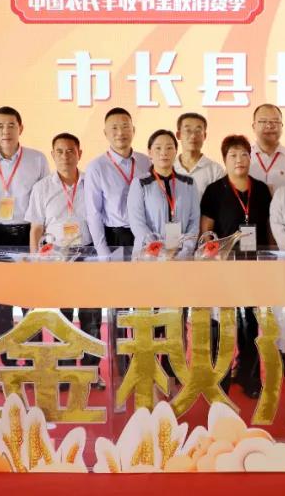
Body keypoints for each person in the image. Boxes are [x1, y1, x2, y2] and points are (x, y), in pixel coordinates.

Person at [0, 106, 49, 366]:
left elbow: (43, 199)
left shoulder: (37, 159)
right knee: (2, 303)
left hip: (27, 234)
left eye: (11, 125)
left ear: (21, 128)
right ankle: (8, 363)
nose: (6, 131)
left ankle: (34, 362)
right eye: (0, 126)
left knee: (31, 301)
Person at [200, 134, 274, 398]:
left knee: (251, 324)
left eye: (244, 154)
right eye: (233, 155)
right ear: (225, 159)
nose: (239, 160)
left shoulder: (261, 189)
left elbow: (268, 230)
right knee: (223, 323)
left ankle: (249, 376)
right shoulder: (214, 191)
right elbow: (206, 232)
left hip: (255, 267)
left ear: (250, 158)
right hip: (225, 268)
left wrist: (271, 261)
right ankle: (220, 378)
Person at [84, 107, 151, 376]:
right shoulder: (96, 167)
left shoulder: (146, 161)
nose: (120, 132)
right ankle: (122, 366)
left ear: (134, 130)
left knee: (143, 301)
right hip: (113, 237)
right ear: (105, 133)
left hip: (143, 237)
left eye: (125, 126)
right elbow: (93, 213)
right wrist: (103, 253)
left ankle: (144, 360)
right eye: (114, 127)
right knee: (118, 306)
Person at [25, 132, 92, 373]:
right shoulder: (42, 188)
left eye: (70, 151)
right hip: (56, 257)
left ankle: (91, 369)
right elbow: (36, 228)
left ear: (79, 154)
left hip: (87, 254)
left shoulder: (91, 183)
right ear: (52, 155)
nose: (65, 156)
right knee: (62, 316)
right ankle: (64, 369)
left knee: (91, 314)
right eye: (60, 152)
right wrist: (35, 261)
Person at [127, 130, 200, 257]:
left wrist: (185, 251)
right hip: (148, 255)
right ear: (150, 152)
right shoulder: (140, 183)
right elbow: (137, 224)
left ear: (176, 151)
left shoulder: (189, 183)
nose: (164, 153)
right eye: (158, 148)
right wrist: (160, 251)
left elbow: (194, 222)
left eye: (169, 148)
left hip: (181, 256)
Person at [173, 112, 225, 196]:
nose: (193, 136)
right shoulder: (168, 167)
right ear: (178, 135)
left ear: (204, 136)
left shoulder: (215, 170)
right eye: (188, 130)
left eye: (198, 131)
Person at [248, 104, 285, 190]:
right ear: (254, 126)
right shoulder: (243, 156)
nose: (269, 126)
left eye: (275, 121)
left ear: (282, 126)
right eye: (263, 121)